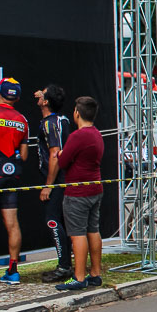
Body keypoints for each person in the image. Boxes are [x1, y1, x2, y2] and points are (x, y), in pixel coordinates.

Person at [54, 97, 106, 291]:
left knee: (77, 234)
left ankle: (79, 276)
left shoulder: (77, 136)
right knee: (93, 230)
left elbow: (63, 161)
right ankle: (95, 273)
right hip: (95, 187)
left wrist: (59, 154)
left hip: (77, 191)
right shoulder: (96, 134)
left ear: (77, 113)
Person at [0, 78, 29, 287]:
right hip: (11, 175)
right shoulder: (23, 120)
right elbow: (25, 155)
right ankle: (13, 271)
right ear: (17, 97)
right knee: (13, 223)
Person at [35, 85, 75, 283]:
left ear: (47, 102)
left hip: (58, 180)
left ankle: (64, 266)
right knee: (62, 222)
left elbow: (54, 154)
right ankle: (65, 263)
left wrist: (48, 185)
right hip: (64, 179)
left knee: (52, 221)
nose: (39, 95)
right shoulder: (61, 119)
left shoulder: (51, 123)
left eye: (43, 93)